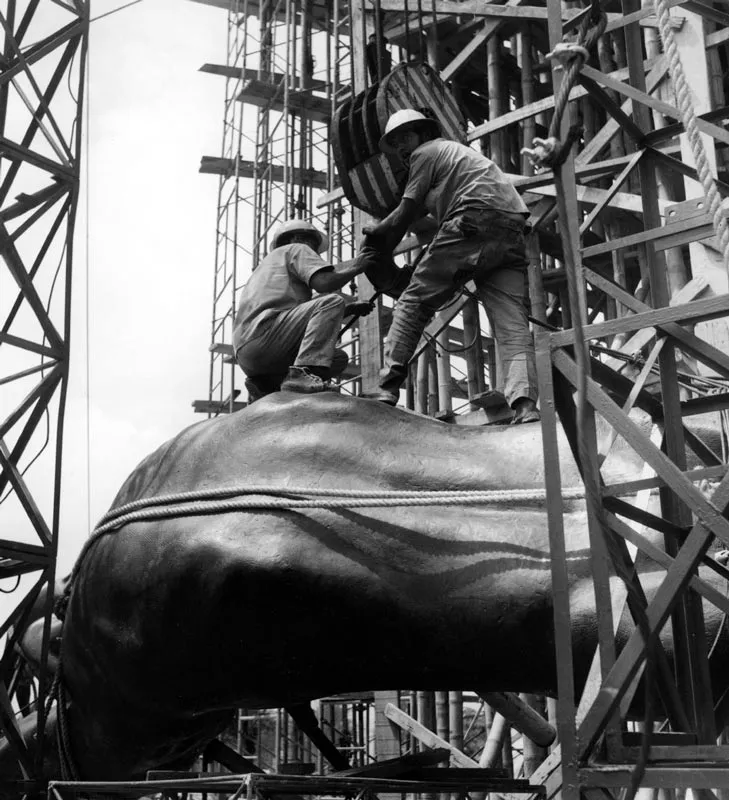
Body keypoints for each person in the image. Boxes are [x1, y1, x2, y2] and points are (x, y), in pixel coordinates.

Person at [361, 109, 540, 424]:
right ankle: (525, 407)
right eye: (396, 142)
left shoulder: (426, 153)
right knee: (512, 324)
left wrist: (377, 234)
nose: (402, 147)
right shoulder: (459, 159)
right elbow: (431, 227)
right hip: (510, 233)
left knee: (414, 302)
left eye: (406, 137)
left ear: (423, 135)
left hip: (473, 220)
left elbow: (406, 210)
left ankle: (386, 388)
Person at [233, 219, 373, 400]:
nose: (314, 253)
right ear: (298, 238)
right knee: (331, 301)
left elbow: (296, 315)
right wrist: (357, 266)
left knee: (338, 358)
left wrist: (349, 310)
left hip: (249, 355)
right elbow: (324, 283)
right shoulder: (296, 249)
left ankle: (267, 386)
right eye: (314, 245)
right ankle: (300, 377)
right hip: (267, 336)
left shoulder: (268, 267)